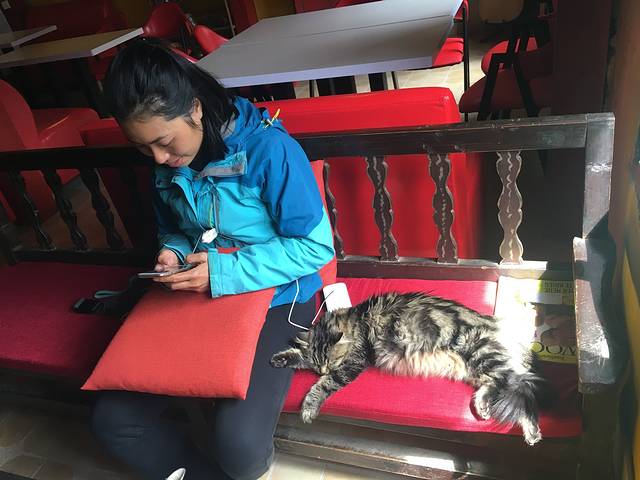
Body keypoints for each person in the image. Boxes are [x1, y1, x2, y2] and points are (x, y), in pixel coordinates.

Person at [91, 39, 335, 480]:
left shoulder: (269, 152)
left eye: (163, 142)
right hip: (199, 291)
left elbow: (314, 249)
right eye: (143, 148)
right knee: (115, 423)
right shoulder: (167, 164)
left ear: (196, 109)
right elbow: (175, 228)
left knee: (240, 449)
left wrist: (223, 270)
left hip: (279, 295)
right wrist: (172, 250)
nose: (158, 159)